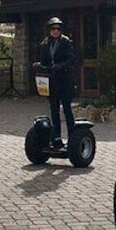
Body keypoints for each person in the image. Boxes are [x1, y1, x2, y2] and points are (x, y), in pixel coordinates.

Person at [36, 16, 76, 149]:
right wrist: (39, 66)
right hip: (52, 82)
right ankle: (57, 137)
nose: (55, 31)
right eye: (53, 29)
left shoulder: (66, 42)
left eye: (58, 29)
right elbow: (43, 61)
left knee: (67, 109)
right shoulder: (45, 44)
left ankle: (72, 137)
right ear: (49, 30)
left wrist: (60, 66)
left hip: (64, 80)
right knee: (54, 110)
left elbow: (71, 59)